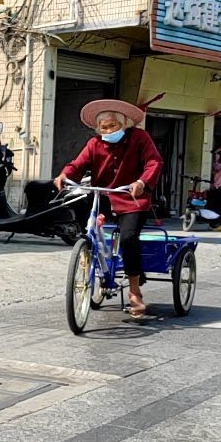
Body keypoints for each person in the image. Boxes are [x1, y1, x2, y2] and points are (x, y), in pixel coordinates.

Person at [53, 98, 163, 318]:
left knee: (129, 238)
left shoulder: (140, 138)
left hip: (131, 198)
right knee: (87, 228)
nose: (107, 130)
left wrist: (141, 183)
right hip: (101, 196)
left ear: (124, 123)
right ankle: (95, 261)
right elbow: (78, 164)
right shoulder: (94, 144)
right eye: (103, 127)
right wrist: (65, 175)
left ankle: (134, 291)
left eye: (111, 125)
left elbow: (154, 162)